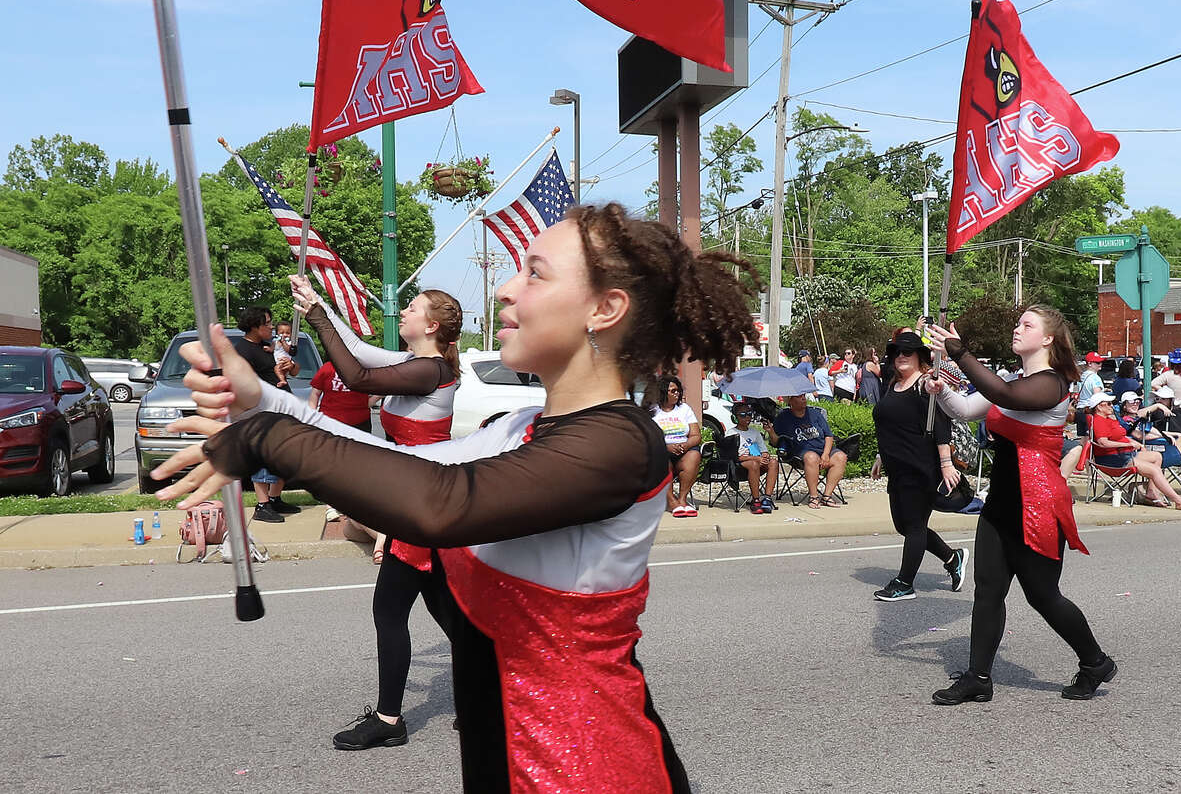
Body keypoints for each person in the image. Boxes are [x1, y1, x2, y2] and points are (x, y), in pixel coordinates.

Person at [153, 202, 759, 793]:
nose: (505, 290)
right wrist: (262, 400)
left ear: (604, 308)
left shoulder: (621, 442)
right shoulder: (520, 427)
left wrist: (270, 437)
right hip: (507, 757)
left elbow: (441, 506)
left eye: (535, 273)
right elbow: (406, 469)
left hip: (583, 765)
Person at [290, 278, 464, 748]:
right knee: (449, 611)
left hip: (423, 500)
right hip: (416, 496)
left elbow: (360, 377)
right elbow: (361, 352)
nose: (402, 312)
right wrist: (317, 304)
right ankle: (490, 694)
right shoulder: (415, 362)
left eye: (412, 307)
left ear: (430, 325)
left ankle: (389, 721)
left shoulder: (430, 370)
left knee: (389, 610)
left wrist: (318, 319)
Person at [925, 307, 1116, 705]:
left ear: (1047, 339)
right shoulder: (1013, 378)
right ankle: (978, 677)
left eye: (1027, 325)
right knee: (987, 591)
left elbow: (1005, 397)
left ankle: (1095, 662)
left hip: (1039, 506)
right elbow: (965, 409)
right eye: (1018, 322)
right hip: (1000, 504)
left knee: (1043, 596)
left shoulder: (1053, 385)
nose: (1017, 328)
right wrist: (940, 390)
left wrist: (961, 353)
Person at [868, 331, 967, 601]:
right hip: (896, 467)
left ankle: (904, 583)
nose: (901, 356)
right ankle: (952, 557)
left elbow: (941, 424)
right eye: (897, 351)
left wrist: (946, 465)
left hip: (920, 466)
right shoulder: (893, 385)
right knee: (905, 526)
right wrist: (880, 456)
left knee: (914, 526)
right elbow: (891, 426)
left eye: (907, 352)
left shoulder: (924, 383)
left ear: (920, 357)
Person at [232, 306, 299, 523]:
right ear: (255, 326)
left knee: (283, 454)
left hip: (282, 407)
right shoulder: (242, 350)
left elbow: (295, 371)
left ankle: (275, 498)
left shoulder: (269, 347)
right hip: (262, 411)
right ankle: (262, 506)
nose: (272, 327)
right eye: (268, 323)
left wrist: (291, 365)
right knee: (263, 457)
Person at [1086, 391, 1181, 511]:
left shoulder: (1109, 419)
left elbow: (1124, 435)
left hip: (1124, 454)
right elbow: (1103, 442)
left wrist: (1137, 444)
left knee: (1157, 456)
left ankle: (1151, 492)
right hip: (1115, 460)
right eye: (1108, 403)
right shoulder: (1099, 421)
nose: (1112, 406)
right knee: (1154, 470)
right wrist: (1129, 443)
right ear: (1099, 407)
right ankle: (1179, 501)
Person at [767, 392, 847, 506]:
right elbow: (775, 442)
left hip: (822, 448)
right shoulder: (783, 417)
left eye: (804, 396)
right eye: (799, 397)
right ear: (790, 401)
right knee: (811, 457)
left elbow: (829, 436)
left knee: (841, 457)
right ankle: (814, 497)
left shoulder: (815, 414)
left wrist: (825, 454)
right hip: (799, 453)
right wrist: (771, 432)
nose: (803, 399)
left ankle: (827, 496)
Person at [645, 374, 701, 517]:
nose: (677, 393)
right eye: (673, 391)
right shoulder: (652, 411)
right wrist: (666, 447)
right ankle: (671, 501)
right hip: (662, 451)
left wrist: (686, 444)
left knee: (694, 455)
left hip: (684, 449)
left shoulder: (684, 409)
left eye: (678, 390)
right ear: (663, 392)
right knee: (661, 458)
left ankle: (682, 500)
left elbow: (696, 435)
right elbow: (647, 438)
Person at [730, 402, 777, 514]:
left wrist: (765, 455)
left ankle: (767, 498)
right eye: (742, 414)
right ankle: (755, 500)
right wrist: (755, 459)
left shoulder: (755, 432)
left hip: (757, 461)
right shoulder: (731, 433)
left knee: (773, 462)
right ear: (735, 417)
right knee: (753, 464)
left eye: (749, 414)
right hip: (740, 464)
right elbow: (734, 457)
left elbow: (764, 450)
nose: (747, 417)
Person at [1151, 350, 1181, 430]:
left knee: (1180, 436)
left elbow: (1153, 383)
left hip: (1176, 408)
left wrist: (1167, 391)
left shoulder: (1168, 374)